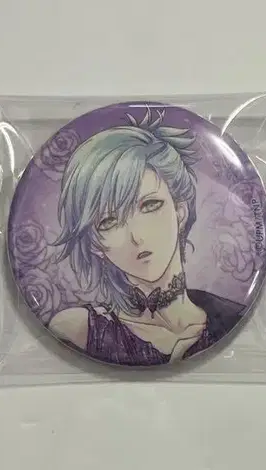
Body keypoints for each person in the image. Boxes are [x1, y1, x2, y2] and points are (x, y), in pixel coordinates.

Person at [48, 111, 244, 365]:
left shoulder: (230, 316)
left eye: (150, 205)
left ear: (180, 211)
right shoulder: (79, 329)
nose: (137, 237)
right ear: (95, 244)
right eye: (109, 222)